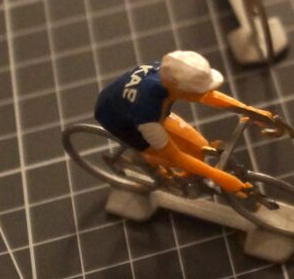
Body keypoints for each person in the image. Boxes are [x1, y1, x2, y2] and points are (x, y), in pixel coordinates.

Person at [93, 51, 279, 194]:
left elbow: (207, 96)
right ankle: (143, 160)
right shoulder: (148, 112)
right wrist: (220, 177)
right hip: (120, 119)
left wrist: (248, 110)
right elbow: (176, 156)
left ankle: (184, 176)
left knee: (199, 147)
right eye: (197, 90)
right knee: (167, 157)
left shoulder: (169, 75)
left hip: (131, 103)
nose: (203, 93)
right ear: (178, 89)